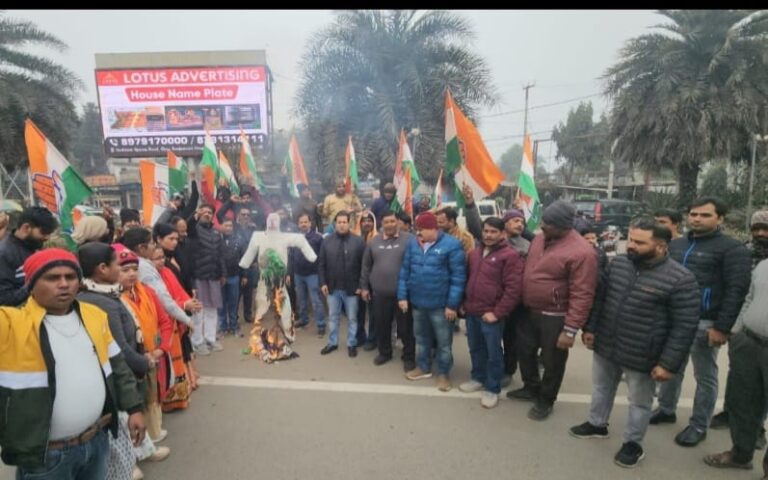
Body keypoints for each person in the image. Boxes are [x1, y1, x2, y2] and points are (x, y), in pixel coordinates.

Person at [0, 248, 145, 479]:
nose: (64, 284)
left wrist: (135, 408)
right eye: (52, 278)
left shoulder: (94, 315)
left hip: (96, 442)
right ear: (31, 284)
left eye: (70, 277)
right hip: (46, 458)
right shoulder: (12, 324)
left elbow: (118, 367)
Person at [569, 217, 699, 468]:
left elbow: (684, 327)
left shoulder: (681, 279)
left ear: (661, 246)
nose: (631, 246)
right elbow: (601, 298)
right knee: (601, 388)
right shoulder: (619, 265)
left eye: (639, 242)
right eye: (630, 239)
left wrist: (668, 363)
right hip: (607, 343)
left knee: (639, 402)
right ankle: (597, 424)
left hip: (643, 353)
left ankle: (633, 444)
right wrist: (591, 328)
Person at [651, 197, 751, 447]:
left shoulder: (732, 249)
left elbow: (736, 290)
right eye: (693, 214)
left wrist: (722, 327)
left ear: (720, 219)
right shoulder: (677, 244)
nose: (696, 218)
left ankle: (698, 424)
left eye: (705, 215)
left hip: (706, 322)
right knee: (671, 366)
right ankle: (666, 409)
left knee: (705, 376)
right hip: (673, 318)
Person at [77, 243, 169, 480]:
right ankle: (127, 465)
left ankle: (140, 453)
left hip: (126, 365)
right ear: (102, 269)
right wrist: (142, 362)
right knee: (119, 420)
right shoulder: (100, 301)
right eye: (118, 264)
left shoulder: (106, 294)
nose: (122, 270)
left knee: (130, 414)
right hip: (118, 369)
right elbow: (118, 346)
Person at [508, 200, 598, 421]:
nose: (542, 226)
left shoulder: (582, 252)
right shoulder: (539, 239)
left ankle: (546, 400)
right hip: (529, 310)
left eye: (548, 223)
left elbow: (583, 293)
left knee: (552, 361)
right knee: (525, 352)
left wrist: (570, 330)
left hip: (555, 317)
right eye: (543, 221)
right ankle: (530, 387)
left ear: (564, 226)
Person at [703, 250, 768, 474]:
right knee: (743, 403)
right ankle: (741, 454)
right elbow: (749, 299)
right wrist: (737, 331)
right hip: (749, 343)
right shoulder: (763, 266)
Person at [709, 209, 768, 434]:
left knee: (761, 384)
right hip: (741, 323)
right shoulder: (743, 251)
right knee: (739, 374)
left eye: (766, 229)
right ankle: (730, 411)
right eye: (756, 229)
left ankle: (758, 427)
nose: (761, 233)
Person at [459, 217, 524, 408]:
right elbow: (468, 280)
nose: (488, 235)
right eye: (486, 231)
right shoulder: (474, 253)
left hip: (491, 315)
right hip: (472, 311)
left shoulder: (510, 256)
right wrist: (463, 303)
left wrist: (497, 313)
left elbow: (513, 290)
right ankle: (477, 377)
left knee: (493, 353)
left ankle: (492, 388)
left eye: (493, 232)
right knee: (475, 348)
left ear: (502, 234)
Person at [398, 212, 466, 392]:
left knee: (444, 343)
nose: (418, 233)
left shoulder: (452, 245)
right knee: (421, 339)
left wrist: (452, 305)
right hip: (418, 304)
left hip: (441, 306)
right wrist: (403, 296)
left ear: (433, 229)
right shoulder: (413, 243)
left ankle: (443, 373)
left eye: (421, 230)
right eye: (417, 229)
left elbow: (458, 278)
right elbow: (405, 271)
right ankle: (423, 367)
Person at [238, 213, 318, 362]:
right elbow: (250, 252)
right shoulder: (258, 236)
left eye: (276, 221)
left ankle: (288, 333)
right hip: (264, 278)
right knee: (261, 304)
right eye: (271, 221)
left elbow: (300, 240)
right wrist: (244, 263)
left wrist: (311, 255)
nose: (273, 224)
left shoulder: (284, 236)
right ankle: (258, 336)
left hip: (280, 279)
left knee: (285, 306)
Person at [360, 210, 415, 370]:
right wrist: (364, 287)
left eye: (392, 221)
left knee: (406, 328)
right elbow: (366, 266)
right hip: (380, 294)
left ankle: (409, 356)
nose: (390, 225)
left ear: (397, 222)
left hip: (403, 295)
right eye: (386, 222)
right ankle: (385, 352)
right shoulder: (374, 242)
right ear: (381, 224)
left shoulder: (409, 240)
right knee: (382, 326)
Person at [149, 245, 200, 411]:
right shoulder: (151, 278)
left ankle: (180, 395)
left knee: (180, 358)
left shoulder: (167, 272)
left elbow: (179, 291)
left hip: (177, 321)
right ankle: (168, 400)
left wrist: (189, 305)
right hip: (164, 324)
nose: (161, 261)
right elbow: (165, 302)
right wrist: (184, 306)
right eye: (156, 258)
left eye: (162, 257)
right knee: (169, 362)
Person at [318, 211, 366, 357]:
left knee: (352, 318)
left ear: (349, 223)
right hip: (332, 288)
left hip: (352, 288)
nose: (342, 224)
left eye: (344, 222)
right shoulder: (326, 241)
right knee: (333, 317)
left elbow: (364, 266)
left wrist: (361, 285)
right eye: (339, 222)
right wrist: (323, 283)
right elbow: (321, 264)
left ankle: (352, 343)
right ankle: (333, 342)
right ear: (335, 224)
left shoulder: (358, 241)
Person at [187, 204, 227, 356]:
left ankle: (210, 339)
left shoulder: (216, 234)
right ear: (199, 213)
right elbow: (188, 225)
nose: (207, 214)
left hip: (213, 276)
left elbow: (221, 255)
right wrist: (194, 216)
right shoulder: (193, 231)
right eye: (204, 212)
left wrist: (223, 273)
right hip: (198, 276)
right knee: (199, 311)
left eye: (210, 212)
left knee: (212, 309)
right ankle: (197, 342)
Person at [0, 206, 58, 307]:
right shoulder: (4, 254)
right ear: (26, 228)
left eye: (49, 234)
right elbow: (4, 299)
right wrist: (35, 282)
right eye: (43, 232)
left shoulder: (35, 246)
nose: (47, 237)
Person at [288, 213, 325, 334]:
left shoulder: (318, 238)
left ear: (310, 223)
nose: (303, 224)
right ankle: (304, 319)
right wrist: (289, 273)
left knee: (316, 301)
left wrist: (322, 274)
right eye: (301, 222)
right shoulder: (295, 238)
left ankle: (321, 325)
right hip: (298, 274)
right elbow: (291, 257)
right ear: (298, 224)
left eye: (305, 222)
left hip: (313, 274)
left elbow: (322, 257)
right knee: (301, 300)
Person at [217, 218, 247, 337]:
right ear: (221, 226)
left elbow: (243, 258)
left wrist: (244, 275)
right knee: (221, 303)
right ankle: (223, 327)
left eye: (230, 226)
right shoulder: (216, 240)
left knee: (233, 303)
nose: (229, 228)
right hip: (220, 278)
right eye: (226, 225)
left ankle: (234, 326)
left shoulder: (238, 240)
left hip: (235, 276)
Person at [353, 210, 378, 349]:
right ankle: (360, 336)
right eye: (364, 221)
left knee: (373, 312)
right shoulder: (354, 238)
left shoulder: (379, 238)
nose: (367, 223)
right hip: (358, 280)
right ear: (360, 223)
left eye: (370, 220)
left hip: (374, 281)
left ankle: (372, 338)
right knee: (359, 312)